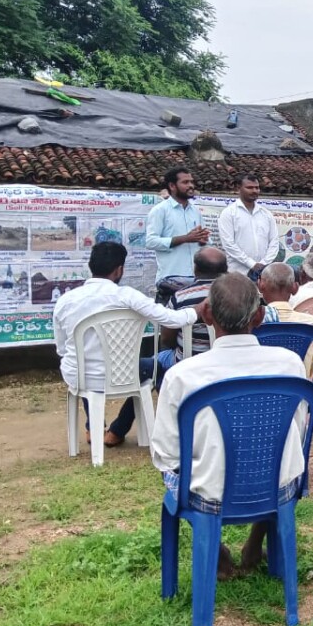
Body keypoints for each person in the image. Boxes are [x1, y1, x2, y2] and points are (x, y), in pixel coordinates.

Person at [151, 273, 310, 578]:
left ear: (207, 315)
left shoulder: (182, 375)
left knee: (173, 471)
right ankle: (255, 541)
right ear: (260, 316)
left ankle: (218, 550)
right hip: (276, 486)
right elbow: (298, 430)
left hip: (208, 493)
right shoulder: (289, 364)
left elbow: (167, 456)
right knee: (276, 454)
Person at [53, 242, 197, 447]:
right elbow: (171, 319)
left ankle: (93, 427)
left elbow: (61, 349)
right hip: (124, 374)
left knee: (84, 362)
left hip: (78, 376)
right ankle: (118, 429)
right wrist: (197, 310)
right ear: (119, 269)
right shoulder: (127, 296)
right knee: (156, 367)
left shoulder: (65, 300)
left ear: (91, 267)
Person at [154, 247, 229, 384]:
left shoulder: (179, 297)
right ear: (225, 270)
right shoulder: (236, 295)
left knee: (155, 362)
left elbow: (166, 339)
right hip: (227, 364)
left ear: (195, 269)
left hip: (186, 364)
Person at [145, 167, 209, 289]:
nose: (191, 185)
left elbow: (205, 243)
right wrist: (185, 238)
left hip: (196, 280)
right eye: (185, 182)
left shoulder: (195, 211)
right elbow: (150, 242)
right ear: (172, 186)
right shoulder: (160, 210)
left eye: (191, 182)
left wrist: (203, 241)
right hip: (170, 281)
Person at [216, 174, 279, 280]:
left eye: (257, 188)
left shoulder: (266, 214)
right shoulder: (229, 213)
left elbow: (274, 241)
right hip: (237, 273)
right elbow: (228, 244)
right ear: (238, 188)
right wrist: (251, 264)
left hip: (263, 274)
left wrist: (263, 263)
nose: (254, 191)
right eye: (249, 187)